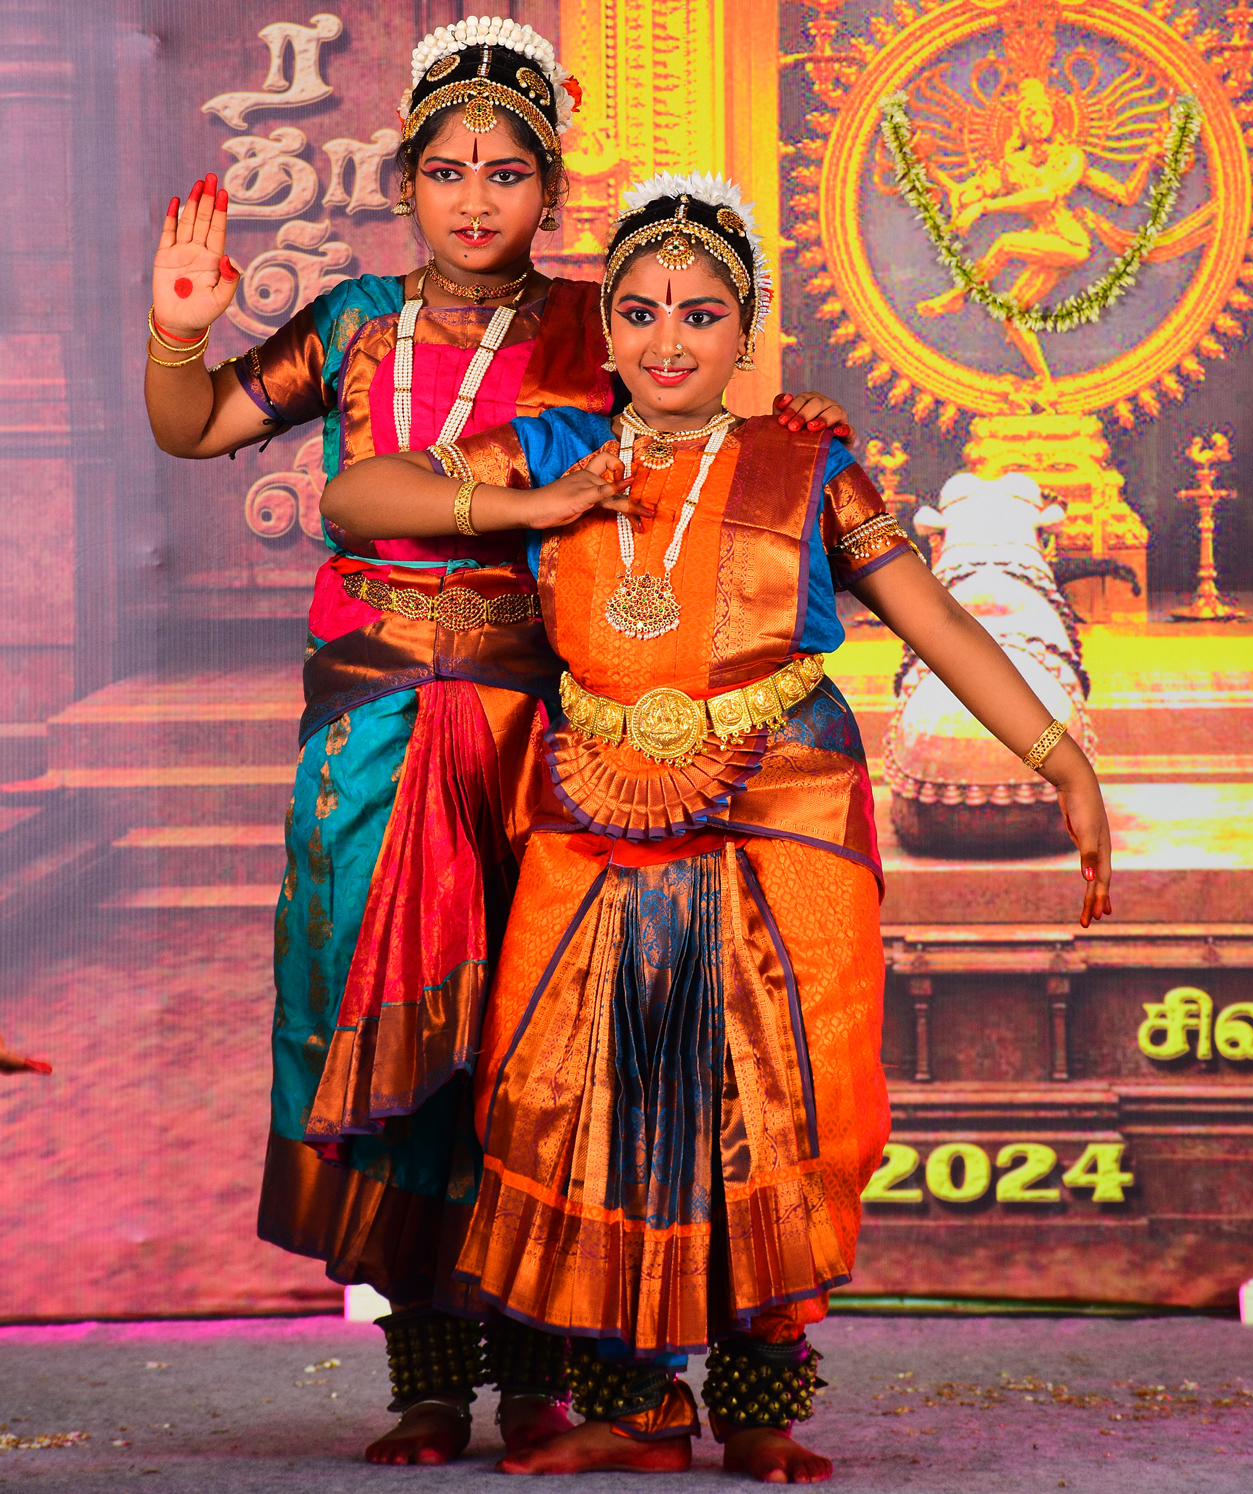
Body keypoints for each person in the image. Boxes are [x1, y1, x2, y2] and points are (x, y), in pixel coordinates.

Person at [321, 170, 1114, 1483]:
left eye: (701, 313)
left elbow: (932, 615)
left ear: (747, 327)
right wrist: (523, 509)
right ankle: (633, 1409)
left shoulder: (811, 464)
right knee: (577, 1094)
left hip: (779, 804)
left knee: (777, 1099)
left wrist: (1058, 758)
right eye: (639, 311)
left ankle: (757, 1404)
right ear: (609, 326)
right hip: (590, 806)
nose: (668, 340)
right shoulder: (561, 449)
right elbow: (359, 500)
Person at [143, 17, 850, 1468]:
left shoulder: (602, 320)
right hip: (373, 721)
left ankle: (543, 1378)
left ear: (552, 187)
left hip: (549, 729)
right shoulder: (353, 321)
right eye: (449, 170)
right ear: (404, 177)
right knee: (386, 1029)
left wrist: (800, 423)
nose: (476, 199)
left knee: (539, 1053)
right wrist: (175, 331)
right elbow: (198, 426)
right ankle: (425, 1380)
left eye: (509, 172)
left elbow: (702, 415)